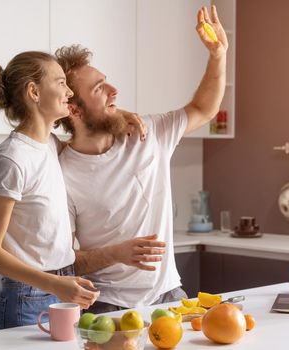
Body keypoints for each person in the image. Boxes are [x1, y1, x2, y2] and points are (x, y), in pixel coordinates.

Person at [54, 5, 228, 313]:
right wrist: (117, 253)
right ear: (74, 110)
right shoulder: (63, 171)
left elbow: (204, 109)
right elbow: (66, 260)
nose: (113, 90)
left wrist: (218, 55)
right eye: (99, 89)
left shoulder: (147, 132)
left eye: (106, 81)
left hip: (170, 296)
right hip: (107, 306)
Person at [0, 51, 100, 330]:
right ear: (33, 91)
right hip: (28, 296)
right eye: (60, 83)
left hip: (62, 286)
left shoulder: (50, 145)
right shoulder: (10, 159)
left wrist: (125, 118)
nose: (69, 91)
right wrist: (54, 284)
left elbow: (93, 149)